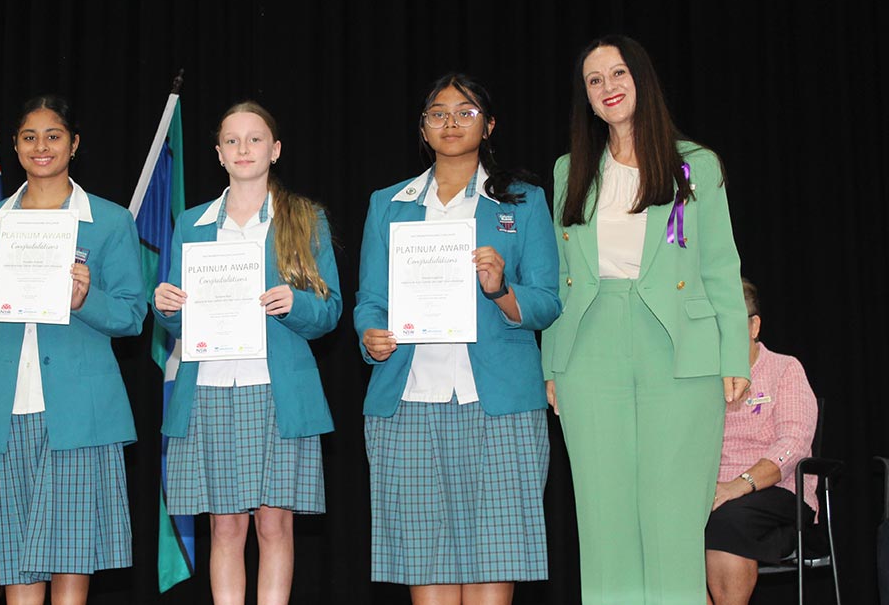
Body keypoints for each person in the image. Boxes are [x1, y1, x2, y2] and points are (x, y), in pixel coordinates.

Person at [542, 34, 750, 605]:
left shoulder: (695, 165)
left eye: (617, 74)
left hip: (681, 347)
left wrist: (733, 352)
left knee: (673, 517)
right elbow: (563, 274)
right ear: (585, 96)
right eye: (594, 80)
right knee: (604, 517)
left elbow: (721, 263)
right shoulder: (568, 170)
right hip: (589, 348)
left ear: (641, 80)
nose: (608, 88)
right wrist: (552, 363)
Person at [354, 73, 560, 605]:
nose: (451, 122)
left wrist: (501, 289)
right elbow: (371, 299)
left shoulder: (524, 201)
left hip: (500, 400)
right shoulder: (388, 203)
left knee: (498, 552)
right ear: (422, 129)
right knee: (424, 553)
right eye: (438, 113)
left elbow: (547, 300)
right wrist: (370, 335)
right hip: (408, 398)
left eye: (465, 112)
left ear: (489, 125)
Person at [0, 95, 145, 604]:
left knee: (71, 561)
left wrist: (85, 298)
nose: (42, 146)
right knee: (16, 563)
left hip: (79, 412)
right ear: (14, 146)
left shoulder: (108, 220)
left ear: (74, 144)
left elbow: (132, 315)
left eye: (54, 135)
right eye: (30, 137)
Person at [153, 101, 341, 605]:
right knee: (225, 526)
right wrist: (166, 306)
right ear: (217, 153)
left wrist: (294, 303)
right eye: (232, 141)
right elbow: (175, 316)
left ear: (275, 150)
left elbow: (330, 313)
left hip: (276, 390)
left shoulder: (305, 218)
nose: (243, 149)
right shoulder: (192, 223)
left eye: (255, 139)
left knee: (275, 526)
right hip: (209, 388)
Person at [705, 278, 818, 605]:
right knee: (662, 524)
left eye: (728, 322)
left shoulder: (785, 369)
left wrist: (737, 485)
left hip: (777, 491)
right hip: (713, 492)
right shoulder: (701, 382)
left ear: (754, 326)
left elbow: (794, 444)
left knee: (727, 519)